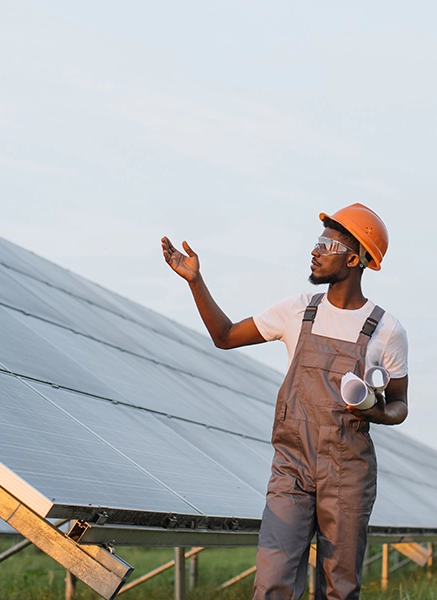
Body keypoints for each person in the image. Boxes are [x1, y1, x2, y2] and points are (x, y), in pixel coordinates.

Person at [161, 203, 409, 600]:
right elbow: (224, 336)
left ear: (354, 257)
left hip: (348, 472)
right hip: (291, 465)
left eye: (326, 244)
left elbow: (400, 405)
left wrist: (374, 411)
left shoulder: (386, 330)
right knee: (273, 577)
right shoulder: (298, 310)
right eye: (317, 242)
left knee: (338, 587)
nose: (315, 251)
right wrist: (195, 281)